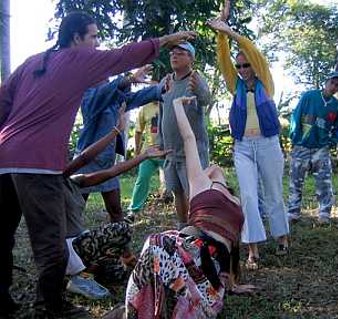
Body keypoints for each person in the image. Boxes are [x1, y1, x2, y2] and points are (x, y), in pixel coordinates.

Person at [0, 10, 195, 317]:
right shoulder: (77, 60)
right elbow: (122, 56)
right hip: (37, 163)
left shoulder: (32, 63)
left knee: (3, 235)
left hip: (5, 157)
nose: (97, 43)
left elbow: (3, 101)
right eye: (93, 36)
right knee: (51, 242)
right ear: (76, 38)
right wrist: (166, 40)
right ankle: (49, 308)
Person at [123, 96, 252, 319]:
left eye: (213, 166)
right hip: (186, 247)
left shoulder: (237, 202)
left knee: (158, 243)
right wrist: (176, 105)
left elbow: (233, 247)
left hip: (206, 266)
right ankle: (135, 310)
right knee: (157, 241)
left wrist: (232, 284)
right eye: (208, 166)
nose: (212, 166)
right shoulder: (200, 184)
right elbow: (188, 138)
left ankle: (145, 308)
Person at [207, 19, 290, 270]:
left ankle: (282, 237)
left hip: (268, 144)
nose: (242, 69)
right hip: (243, 146)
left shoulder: (267, 82)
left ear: (254, 66)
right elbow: (223, 61)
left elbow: (253, 51)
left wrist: (230, 32)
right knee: (249, 197)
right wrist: (221, 36)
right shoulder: (237, 86)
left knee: (274, 194)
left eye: (246, 65)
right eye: (239, 66)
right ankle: (253, 248)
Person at [63, 115, 169, 300]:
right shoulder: (46, 186)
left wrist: (143, 156)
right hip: (68, 249)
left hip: (82, 246)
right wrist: (115, 131)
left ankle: (86, 272)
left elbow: (112, 171)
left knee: (117, 273)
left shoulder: (75, 181)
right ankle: (78, 276)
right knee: (121, 229)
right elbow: (84, 157)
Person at [75, 64, 165, 222]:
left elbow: (135, 98)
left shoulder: (113, 98)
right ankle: (67, 243)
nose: (106, 79)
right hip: (86, 163)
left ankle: (121, 244)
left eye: (107, 77)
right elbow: (102, 96)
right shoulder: (89, 97)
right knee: (74, 211)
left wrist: (160, 89)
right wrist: (128, 79)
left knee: (116, 211)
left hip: (107, 163)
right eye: (103, 76)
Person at [157, 42, 211, 227]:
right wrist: (160, 142)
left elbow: (205, 99)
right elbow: (161, 113)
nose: (174, 56)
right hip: (171, 152)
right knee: (177, 192)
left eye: (180, 53)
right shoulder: (165, 82)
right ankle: (183, 228)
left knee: (195, 193)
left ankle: (200, 229)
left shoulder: (195, 79)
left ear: (191, 58)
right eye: (172, 53)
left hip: (193, 153)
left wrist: (199, 88)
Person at [287, 72, 338, 224]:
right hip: (302, 145)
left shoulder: (336, 106)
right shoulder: (309, 96)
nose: (334, 86)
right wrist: (295, 137)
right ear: (326, 82)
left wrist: (332, 141)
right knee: (295, 180)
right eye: (332, 82)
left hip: (321, 148)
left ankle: (324, 213)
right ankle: (293, 213)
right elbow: (296, 116)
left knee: (324, 182)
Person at [128, 101, 168, 216]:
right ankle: (133, 210)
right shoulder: (145, 108)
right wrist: (137, 151)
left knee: (175, 181)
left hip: (166, 152)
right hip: (148, 152)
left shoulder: (169, 103)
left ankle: (186, 209)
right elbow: (138, 131)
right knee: (142, 179)